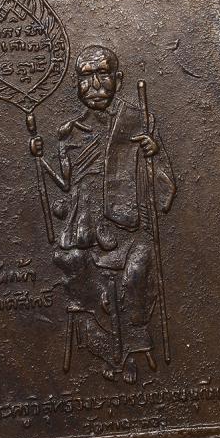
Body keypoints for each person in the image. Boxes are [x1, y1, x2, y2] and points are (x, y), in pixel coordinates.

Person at [30, 45, 176, 383]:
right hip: (86, 230)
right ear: (77, 85)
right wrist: (40, 159)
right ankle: (112, 351)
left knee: (136, 272)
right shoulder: (70, 133)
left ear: (118, 79)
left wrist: (153, 154)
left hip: (130, 229)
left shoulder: (138, 121)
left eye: (103, 74)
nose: (95, 84)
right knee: (76, 267)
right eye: (86, 77)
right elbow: (65, 186)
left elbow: (165, 187)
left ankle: (130, 345)